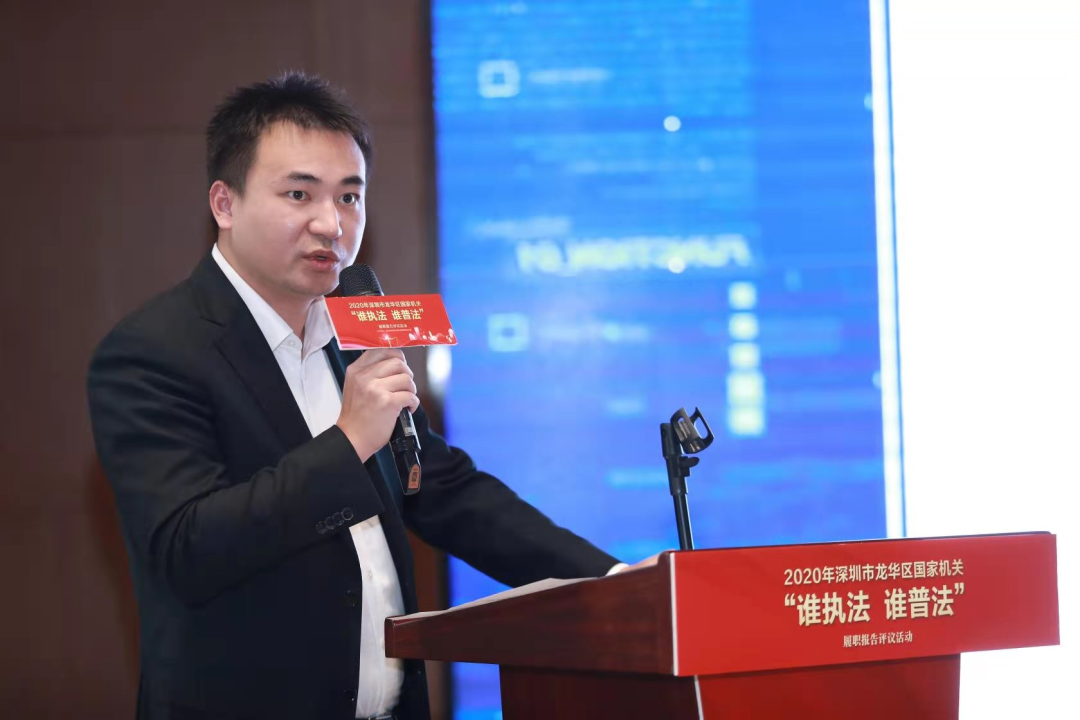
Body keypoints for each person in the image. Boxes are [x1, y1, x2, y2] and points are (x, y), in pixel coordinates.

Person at [87, 72, 622, 720]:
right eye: (299, 194)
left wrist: (613, 585)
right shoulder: (152, 353)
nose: (331, 223)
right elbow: (188, 549)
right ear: (225, 204)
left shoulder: (354, 331)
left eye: (350, 196)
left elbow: (440, 488)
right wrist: (349, 442)